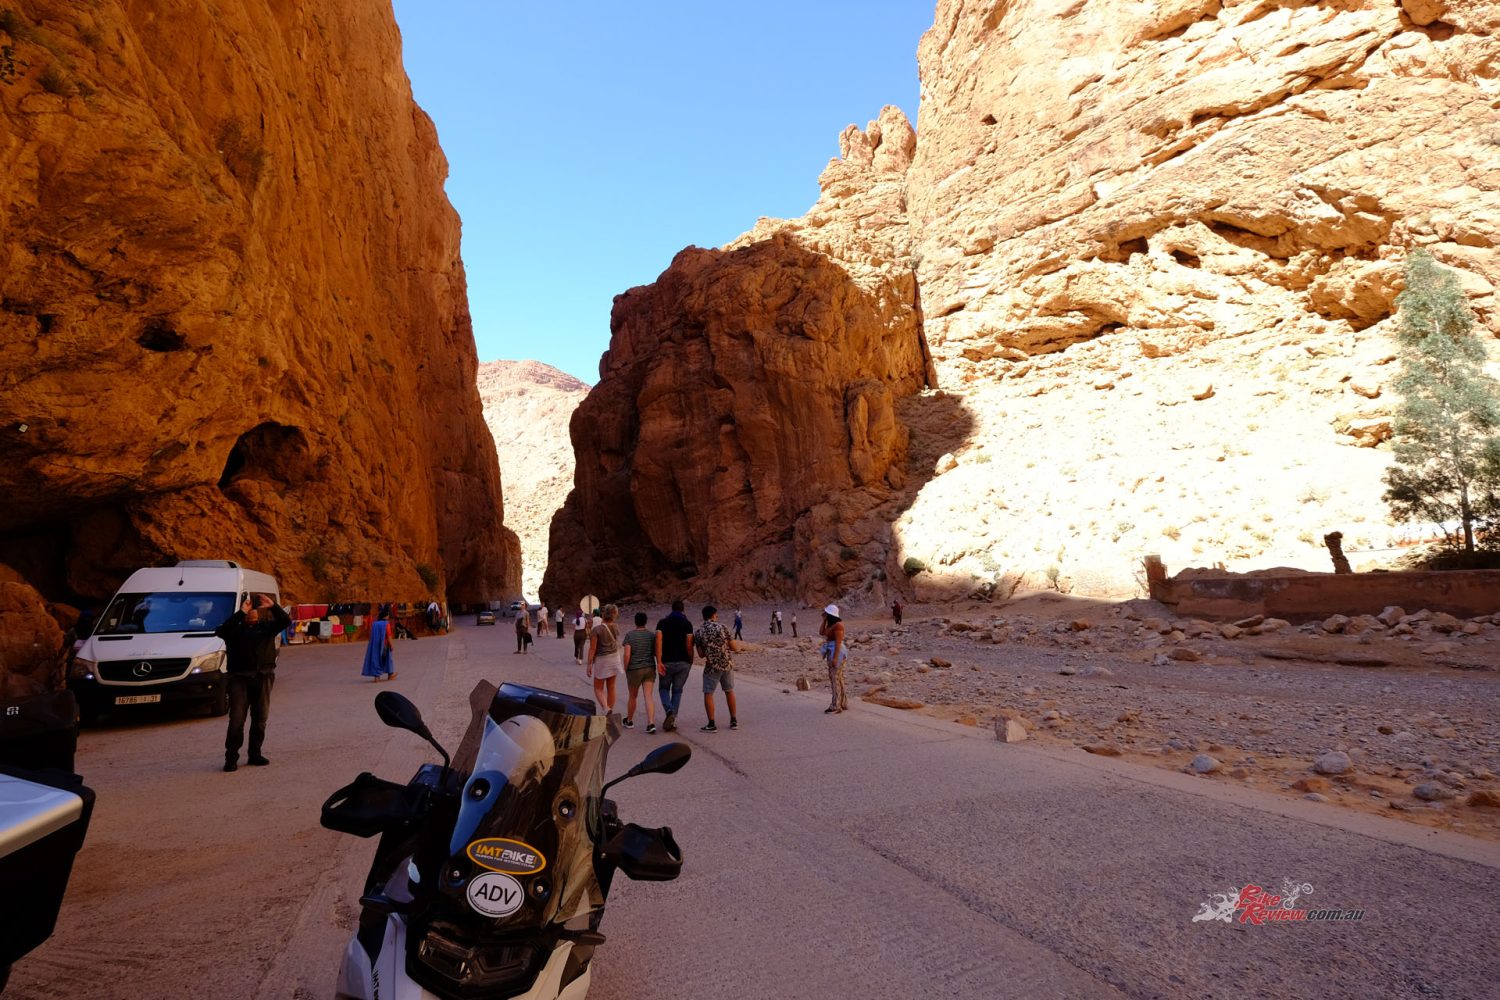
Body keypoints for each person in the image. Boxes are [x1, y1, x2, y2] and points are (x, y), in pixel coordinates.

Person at [214, 593, 291, 772]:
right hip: (239, 679)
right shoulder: (233, 630)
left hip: (263, 677)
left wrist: (273, 606)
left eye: (255, 609)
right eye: (249, 609)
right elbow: (222, 631)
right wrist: (241, 613)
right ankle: (231, 758)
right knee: (236, 720)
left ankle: (255, 754)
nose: (252, 611)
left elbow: (285, 621)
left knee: (260, 719)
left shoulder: (266, 628)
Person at [694, 605, 739, 733]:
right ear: (714, 615)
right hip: (726, 664)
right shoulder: (723, 627)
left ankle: (711, 723)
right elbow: (734, 647)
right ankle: (733, 720)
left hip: (712, 666)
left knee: (708, 693)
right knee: (729, 691)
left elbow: (701, 654)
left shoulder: (699, 632)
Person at [654, 599, 694, 732]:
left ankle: (669, 711)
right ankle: (673, 718)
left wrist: (658, 661)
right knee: (677, 690)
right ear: (683, 610)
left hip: (666, 661)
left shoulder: (662, 623)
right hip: (683, 662)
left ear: (671, 609)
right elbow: (689, 644)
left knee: (663, 688)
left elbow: (658, 641)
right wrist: (690, 659)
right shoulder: (687, 623)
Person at [621, 612, 658, 733]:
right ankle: (651, 723)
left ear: (635, 621)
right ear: (645, 621)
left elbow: (627, 654)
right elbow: (655, 652)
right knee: (648, 696)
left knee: (633, 696)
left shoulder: (630, 636)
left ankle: (629, 720)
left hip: (634, 669)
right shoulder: (651, 635)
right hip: (649, 668)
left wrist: (625, 667)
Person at [587, 604, 623, 715]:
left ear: (603, 614)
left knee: (598, 688)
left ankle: (606, 709)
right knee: (611, 687)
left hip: (602, 660)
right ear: (614, 615)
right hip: (615, 658)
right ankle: (609, 711)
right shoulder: (616, 627)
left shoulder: (596, 630)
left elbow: (592, 649)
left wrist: (589, 664)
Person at [819, 603, 849, 714]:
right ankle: (843, 702)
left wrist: (835, 658)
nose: (824, 614)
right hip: (831, 651)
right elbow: (821, 632)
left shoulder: (838, 626)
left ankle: (835, 705)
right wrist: (824, 620)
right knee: (837, 678)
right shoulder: (831, 625)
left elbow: (838, 643)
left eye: (826, 613)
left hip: (838, 653)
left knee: (835, 678)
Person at [362, 611, 396, 683]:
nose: (388, 616)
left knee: (376, 659)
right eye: (388, 615)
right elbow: (389, 635)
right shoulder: (386, 624)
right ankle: (390, 674)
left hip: (375, 645)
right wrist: (391, 645)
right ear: (385, 616)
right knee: (387, 659)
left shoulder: (375, 624)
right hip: (384, 644)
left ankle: (377, 677)